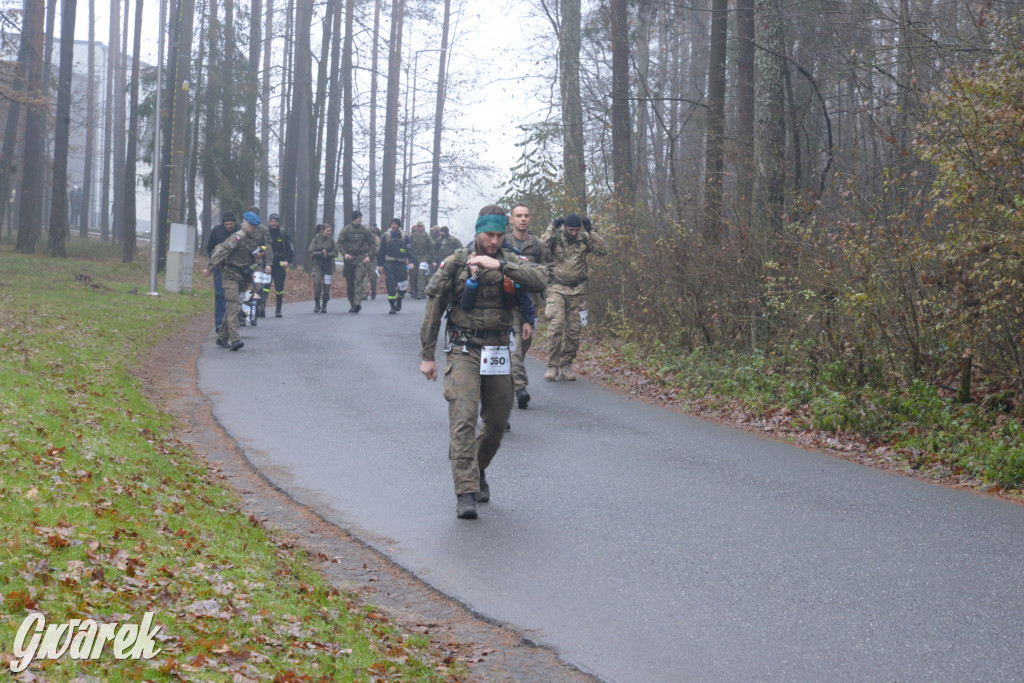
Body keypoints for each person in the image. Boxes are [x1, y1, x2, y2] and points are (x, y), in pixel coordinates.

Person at [419, 204, 547, 519]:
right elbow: (434, 310)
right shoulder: (456, 263)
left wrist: (501, 265)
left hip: (499, 350)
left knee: (497, 421)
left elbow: (540, 279)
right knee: (463, 418)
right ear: (478, 231)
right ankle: (465, 493)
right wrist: (427, 355)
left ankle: (477, 470)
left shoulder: (509, 259)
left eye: (499, 235)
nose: (494, 240)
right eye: (490, 235)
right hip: (464, 348)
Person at [542, 213, 608, 381]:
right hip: (557, 288)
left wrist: (591, 229)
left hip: (577, 290)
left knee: (573, 330)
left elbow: (603, 250)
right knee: (556, 327)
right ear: (565, 228)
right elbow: (541, 246)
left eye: (576, 230)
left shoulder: (584, 238)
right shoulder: (556, 238)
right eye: (571, 230)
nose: (573, 233)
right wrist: (552, 226)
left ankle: (566, 365)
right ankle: (552, 365)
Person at [202, 211, 272, 351]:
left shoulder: (251, 240)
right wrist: (210, 268)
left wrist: (252, 269)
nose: (253, 228)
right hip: (230, 276)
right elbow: (221, 251)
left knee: (232, 308)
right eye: (251, 225)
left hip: (243, 278)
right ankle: (235, 339)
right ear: (245, 223)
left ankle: (222, 337)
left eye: (255, 226)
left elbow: (251, 258)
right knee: (234, 306)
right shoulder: (238, 237)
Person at [506, 202, 552, 408]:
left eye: (526, 215)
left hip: (530, 304)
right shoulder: (504, 242)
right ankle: (519, 388)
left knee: (522, 347)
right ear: (512, 219)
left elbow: (548, 270)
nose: (523, 219)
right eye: (519, 216)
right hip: (508, 303)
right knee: (514, 348)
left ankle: (511, 380)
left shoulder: (538, 245)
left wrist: (528, 268)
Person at [205, 211, 239, 331]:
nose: (229, 227)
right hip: (220, 268)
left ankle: (234, 320)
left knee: (234, 296)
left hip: (235, 268)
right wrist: (213, 261)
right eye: (227, 224)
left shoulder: (239, 231)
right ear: (223, 224)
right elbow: (209, 248)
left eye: (231, 224)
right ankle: (219, 323)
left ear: (235, 223)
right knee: (220, 295)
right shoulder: (216, 231)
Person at [338, 211, 375, 313]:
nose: (361, 219)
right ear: (354, 218)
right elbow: (339, 244)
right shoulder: (346, 230)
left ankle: (358, 303)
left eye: (361, 217)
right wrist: (344, 254)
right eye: (359, 217)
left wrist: (369, 256)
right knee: (350, 283)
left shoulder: (364, 230)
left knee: (359, 281)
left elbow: (372, 244)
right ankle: (352, 303)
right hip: (349, 259)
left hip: (360, 258)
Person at [377, 219, 411, 314]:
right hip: (389, 264)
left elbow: (409, 250)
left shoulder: (404, 236)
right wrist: (380, 265)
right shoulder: (385, 236)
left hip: (401, 265)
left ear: (399, 226)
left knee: (402, 287)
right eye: (392, 224)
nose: (393, 225)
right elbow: (382, 251)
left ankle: (399, 300)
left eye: (395, 224)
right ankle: (392, 306)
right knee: (391, 285)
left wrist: (412, 262)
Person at [266, 213, 294, 317]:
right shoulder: (266, 233)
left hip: (280, 265)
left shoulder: (284, 234)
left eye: (275, 221)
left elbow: (290, 250)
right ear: (269, 222)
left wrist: (288, 261)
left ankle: (278, 309)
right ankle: (261, 309)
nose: (273, 223)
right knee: (265, 287)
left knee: (279, 287)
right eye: (271, 221)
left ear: (278, 222)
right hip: (268, 265)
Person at [308, 223, 337, 313]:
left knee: (327, 286)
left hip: (328, 266)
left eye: (330, 231)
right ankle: (317, 304)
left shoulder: (331, 240)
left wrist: (328, 254)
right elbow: (311, 252)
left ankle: (324, 305)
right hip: (317, 265)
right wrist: (321, 253)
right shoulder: (315, 240)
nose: (329, 233)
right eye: (327, 231)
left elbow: (336, 253)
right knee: (317, 284)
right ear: (322, 231)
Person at [408, 221, 435, 299]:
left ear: (423, 227)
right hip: (414, 258)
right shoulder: (412, 236)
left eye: (420, 226)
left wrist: (432, 260)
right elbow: (409, 247)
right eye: (418, 226)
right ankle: (414, 291)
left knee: (421, 274)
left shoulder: (427, 237)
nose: (419, 228)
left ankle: (421, 291)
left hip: (424, 258)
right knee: (413, 274)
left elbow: (431, 248)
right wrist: (408, 258)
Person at [366, 223, 382, 300]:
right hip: (363, 259)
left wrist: (370, 255)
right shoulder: (363, 238)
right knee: (362, 276)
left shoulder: (376, 238)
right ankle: (364, 293)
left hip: (372, 259)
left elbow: (377, 249)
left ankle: (373, 291)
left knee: (373, 277)